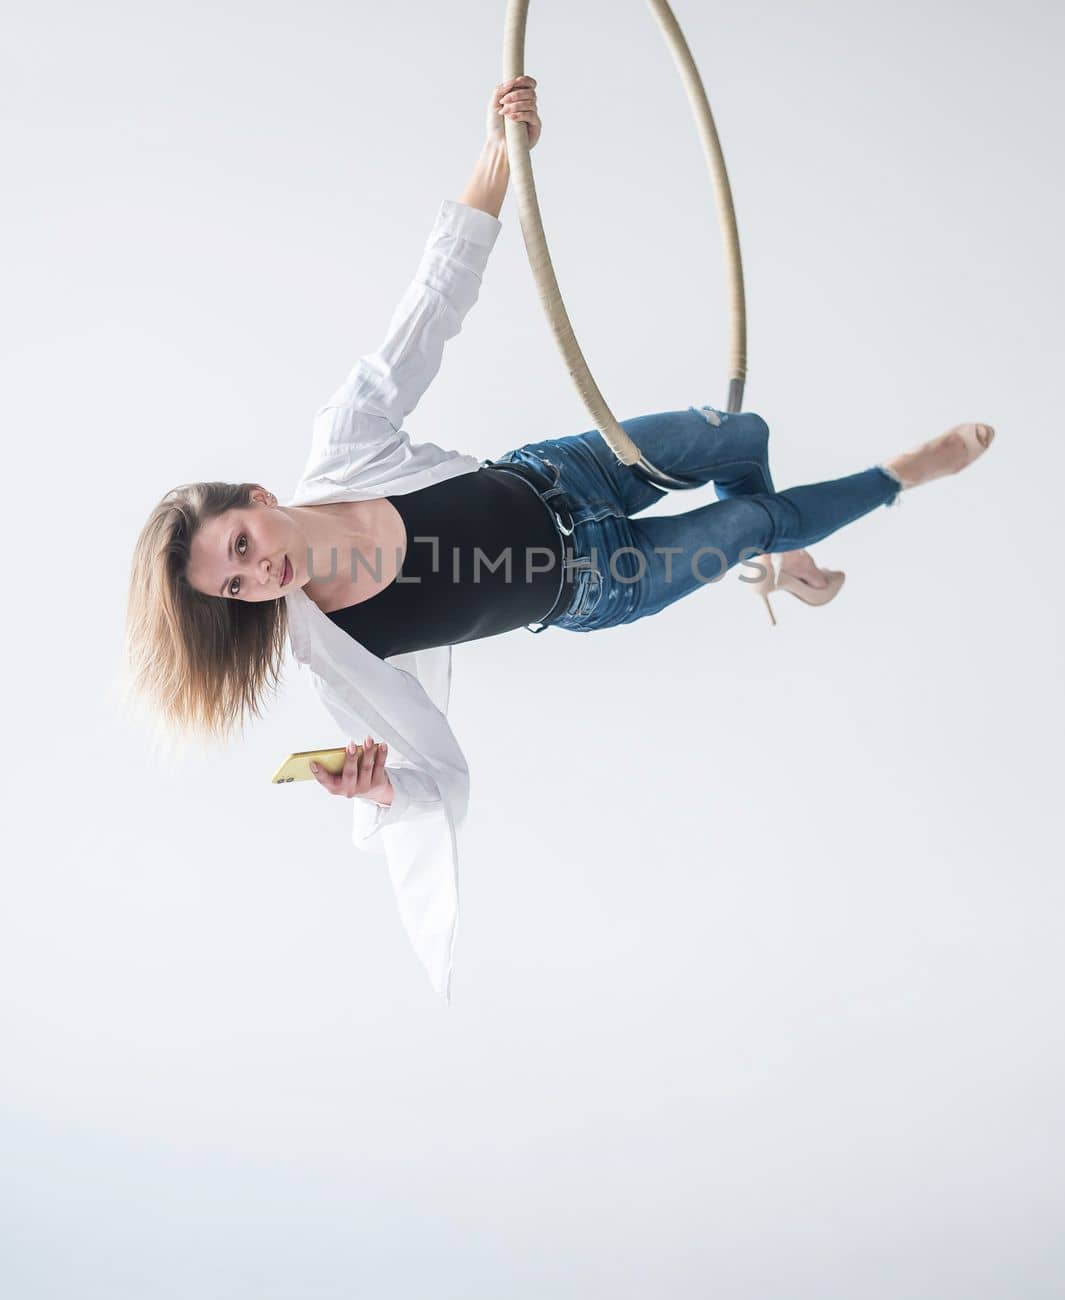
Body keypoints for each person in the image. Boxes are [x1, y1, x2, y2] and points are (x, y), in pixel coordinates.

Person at [124, 75, 996, 999]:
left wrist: (502, 154)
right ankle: (899, 478)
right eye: (236, 587)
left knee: (734, 438)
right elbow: (431, 779)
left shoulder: (346, 442)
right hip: (601, 580)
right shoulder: (334, 652)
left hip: (566, 471)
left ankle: (788, 564)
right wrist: (377, 790)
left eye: (243, 545)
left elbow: (428, 310)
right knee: (744, 518)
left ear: (256, 498)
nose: (260, 574)